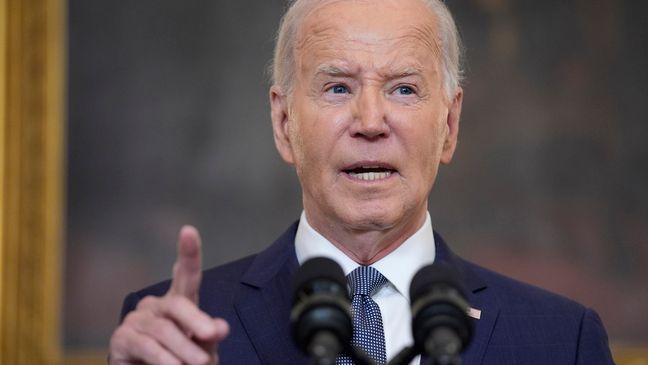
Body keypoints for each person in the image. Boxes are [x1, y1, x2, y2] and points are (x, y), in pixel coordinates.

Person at [108, 0, 615, 364]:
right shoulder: (178, 334)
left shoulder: (561, 339)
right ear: (284, 125)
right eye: (337, 87)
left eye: (403, 88)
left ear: (450, 126)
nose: (370, 121)